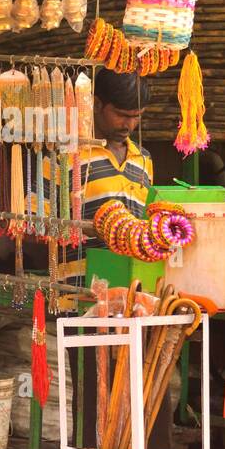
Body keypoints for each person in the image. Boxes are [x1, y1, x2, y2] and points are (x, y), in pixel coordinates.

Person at [62, 67, 155, 286]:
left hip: (133, 287)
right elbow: (38, 226)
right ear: (96, 104)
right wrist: (97, 227)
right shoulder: (67, 155)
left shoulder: (143, 159)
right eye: (121, 115)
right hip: (79, 289)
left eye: (136, 117)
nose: (129, 125)